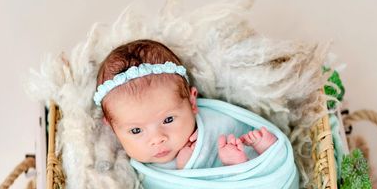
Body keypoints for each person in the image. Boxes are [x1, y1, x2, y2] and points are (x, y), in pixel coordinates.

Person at [94, 39, 277, 169]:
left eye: (168, 119)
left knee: (240, 145)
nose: (158, 139)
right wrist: (186, 168)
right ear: (112, 127)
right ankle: (237, 168)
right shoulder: (132, 169)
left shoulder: (211, 125)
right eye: (136, 131)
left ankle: (262, 155)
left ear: (192, 102)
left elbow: (233, 129)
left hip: (255, 178)